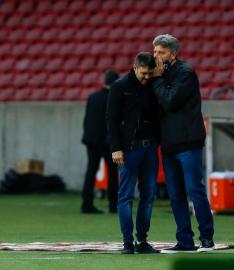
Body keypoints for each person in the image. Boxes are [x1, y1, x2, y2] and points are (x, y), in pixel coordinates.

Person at [151, 34, 214, 253]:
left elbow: (170, 101)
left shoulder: (185, 73)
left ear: (173, 54)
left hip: (188, 142)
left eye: (161, 52)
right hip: (169, 144)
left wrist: (156, 79)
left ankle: (207, 238)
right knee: (176, 194)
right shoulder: (160, 74)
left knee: (194, 190)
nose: (156, 56)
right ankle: (185, 240)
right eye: (155, 52)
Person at [106, 52, 160, 254]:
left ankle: (142, 240)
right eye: (144, 74)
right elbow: (111, 119)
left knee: (148, 195)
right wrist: (115, 147)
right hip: (129, 149)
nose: (147, 78)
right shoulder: (120, 87)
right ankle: (128, 242)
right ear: (135, 67)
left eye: (150, 74)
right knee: (126, 196)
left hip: (150, 148)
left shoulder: (153, 85)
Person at [81, 69, 119, 214]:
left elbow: (87, 120)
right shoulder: (113, 98)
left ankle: (86, 204)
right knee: (112, 173)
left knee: (91, 171)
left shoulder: (92, 97)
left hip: (91, 140)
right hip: (107, 141)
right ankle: (113, 205)